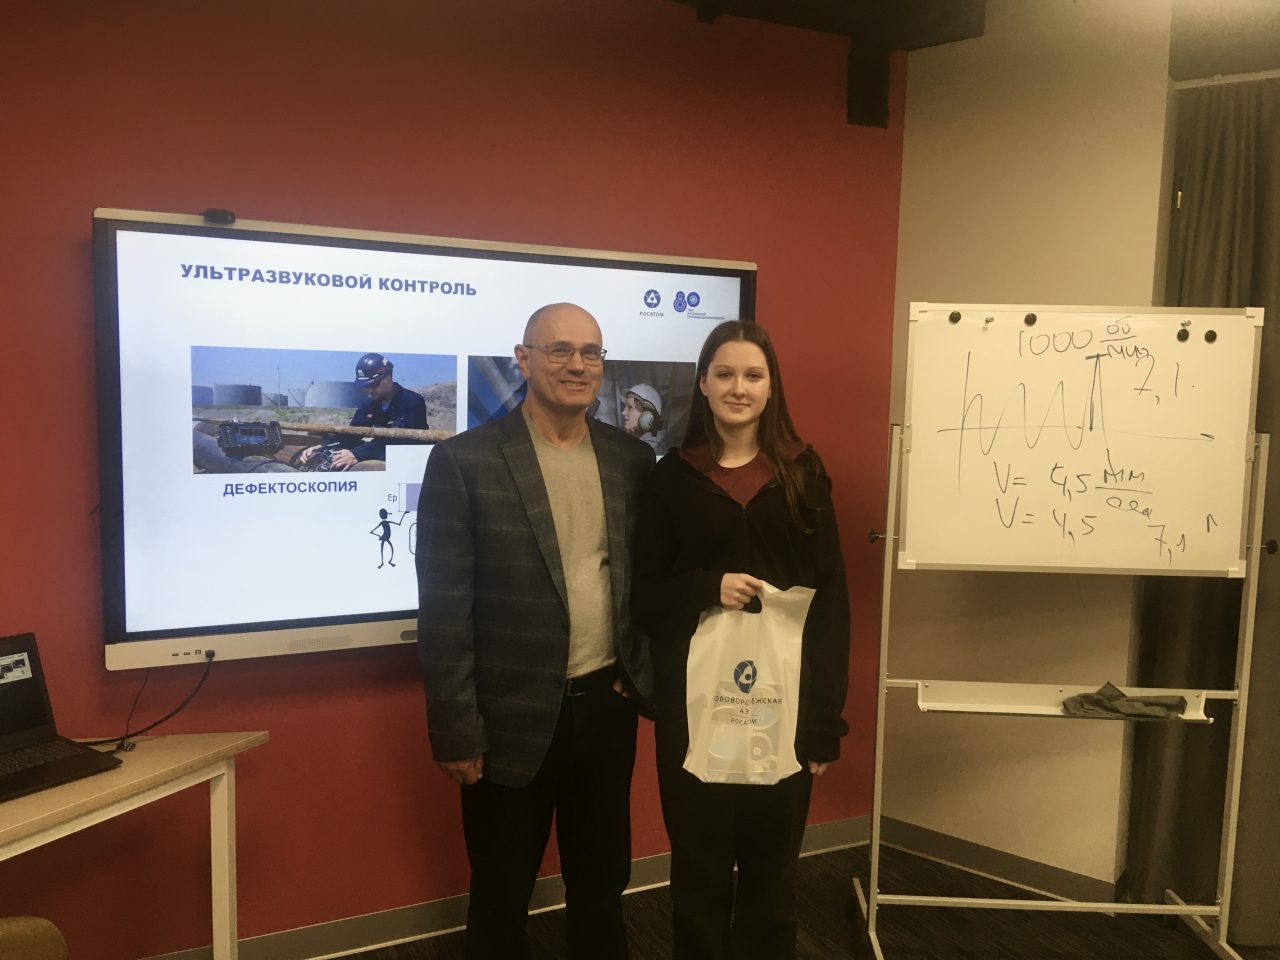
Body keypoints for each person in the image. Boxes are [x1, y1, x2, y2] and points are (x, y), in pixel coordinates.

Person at [416, 303, 655, 960]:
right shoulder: (466, 462)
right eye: (559, 350)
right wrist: (457, 731)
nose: (577, 365)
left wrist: (638, 676)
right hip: (506, 721)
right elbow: (444, 609)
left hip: (605, 710)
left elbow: (647, 581)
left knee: (602, 884)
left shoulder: (632, 459)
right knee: (500, 893)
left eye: (591, 352)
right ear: (523, 360)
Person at [632, 319, 850, 960]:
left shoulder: (803, 474)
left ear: (771, 386)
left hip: (785, 706)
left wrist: (824, 723)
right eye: (724, 373)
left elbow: (831, 603)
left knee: (772, 877)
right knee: (698, 872)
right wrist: (707, 587)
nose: (738, 387)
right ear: (702, 383)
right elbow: (644, 595)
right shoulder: (671, 479)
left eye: (753, 375)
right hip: (696, 710)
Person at [299, 352, 428, 469]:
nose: (369, 390)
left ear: (388, 377)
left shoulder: (412, 402)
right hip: (383, 453)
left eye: (373, 384)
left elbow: (399, 441)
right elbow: (352, 433)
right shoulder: (370, 406)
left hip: (414, 461)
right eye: (365, 386)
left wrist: (357, 454)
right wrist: (324, 446)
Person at [621, 382, 665, 452]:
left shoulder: (649, 448)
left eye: (630, 407)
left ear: (647, 415)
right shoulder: (644, 444)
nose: (623, 412)